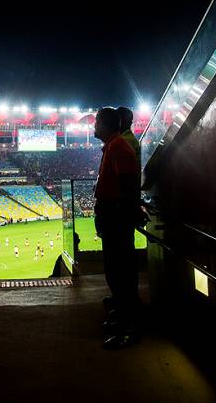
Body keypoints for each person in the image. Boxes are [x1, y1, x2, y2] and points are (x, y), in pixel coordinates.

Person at [93, 107, 142, 350]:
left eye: (96, 122)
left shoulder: (119, 147)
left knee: (121, 273)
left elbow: (129, 186)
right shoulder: (113, 146)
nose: (93, 127)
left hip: (117, 219)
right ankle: (123, 319)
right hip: (113, 218)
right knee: (115, 273)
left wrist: (123, 215)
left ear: (106, 125)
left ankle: (129, 329)